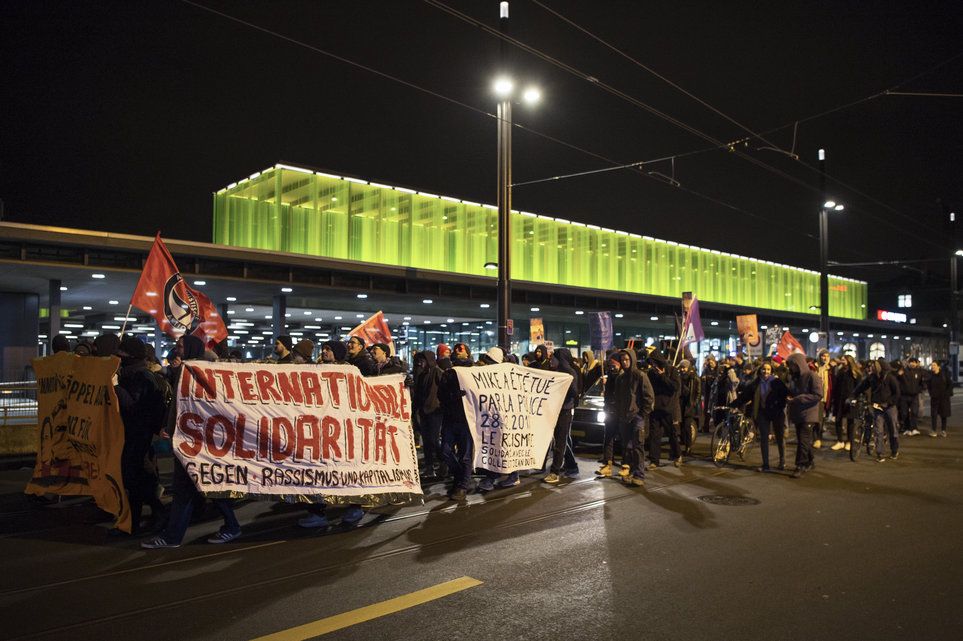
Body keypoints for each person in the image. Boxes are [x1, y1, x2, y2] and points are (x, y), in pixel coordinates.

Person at [143, 335, 241, 548]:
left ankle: (174, 536)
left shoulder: (198, 372)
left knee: (201, 486)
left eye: (180, 346)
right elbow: (179, 405)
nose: (176, 350)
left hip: (198, 440)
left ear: (190, 348)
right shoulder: (186, 371)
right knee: (195, 487)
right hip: (188, 439)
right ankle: (176, 535)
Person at [114, 336, 169, 534]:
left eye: (122, 354)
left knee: (136, 480)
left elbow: (133, 406)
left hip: (139, 435)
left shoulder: (141, 377)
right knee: (134, 481)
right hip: (131, 433)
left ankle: (155, 514)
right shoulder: (131, 374)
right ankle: (136, 522)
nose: (119, 357)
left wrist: (116, 388)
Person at [731, 361, 788, 471]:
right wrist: (734, 404)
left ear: (771, 371)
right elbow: (745, 396)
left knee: (780, 438)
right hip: (763, 412)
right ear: (760, 370)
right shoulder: (755, 383)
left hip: (777, 413)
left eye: (768, 369)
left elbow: (785, 395)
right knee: (764, 438)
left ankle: (782, 461)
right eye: (763, 369)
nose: (765, 371)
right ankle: (765, 464)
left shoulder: (777, 382)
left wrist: (780, 405)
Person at [610, 349, 654, 486]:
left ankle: (639, 475)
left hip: (637, 417)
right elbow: (617, 398)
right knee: (627, 447)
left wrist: (642, 415)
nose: (624, 362)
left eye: (627, 359)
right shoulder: (620, 378)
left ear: (632, 359)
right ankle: (628, 471)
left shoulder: (640, 376)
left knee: (637, 447)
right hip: (624, 417)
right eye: (622, 360)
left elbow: (649, 397)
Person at [439, 343, 476, 500]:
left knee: (465, 455)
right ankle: (461, 476)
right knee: (445, 451)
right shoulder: (448, 373)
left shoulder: (474, 373)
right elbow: (441, 395)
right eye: (456, 349)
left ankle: (462, 486)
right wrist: (453, 395)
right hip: (450, 419)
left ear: (467, 354)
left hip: (467, 420)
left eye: (461, 349)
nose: (457, 351)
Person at [850, 358, 901, 463]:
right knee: (878, 431)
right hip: (877, 407)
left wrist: (888, 403)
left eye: (874, 366)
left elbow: (897, 393)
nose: (871, 367)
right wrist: (853, 395)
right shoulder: (872, 378)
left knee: (893, 430)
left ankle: (894, 450)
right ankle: (880, 453)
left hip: (889, 407)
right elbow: (861, 387)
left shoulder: (890, 378)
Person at [543, 347, 580, 485]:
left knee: (560, 441)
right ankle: (571, 466)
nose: (551, 360)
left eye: (554, 358)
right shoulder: (555, 372)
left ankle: (555, 472)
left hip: (565, 411)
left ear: (561, 359)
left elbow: (574, 393)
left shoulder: (570, 373)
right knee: (562, 440)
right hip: (555, 410)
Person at [786, 352, 823, 478]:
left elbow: (818, 395)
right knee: (804, 440)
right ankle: (810, 460)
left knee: (803, 440)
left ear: (799, 364)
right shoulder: (794, 377)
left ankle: (800, 465)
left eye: (793, 364)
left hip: (809, 413)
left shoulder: (812, 376)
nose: (791, 367)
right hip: (798, 413)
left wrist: (799, 398)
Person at [413, 350, 445, 479]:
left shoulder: (437, 372)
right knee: (427, 441)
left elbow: (444, 388)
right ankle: (430, 467)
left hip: (435, 411)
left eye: (423, 360)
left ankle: (444, 462)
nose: (421, 363)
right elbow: (418, 393)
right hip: (424, 412)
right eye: (419, 360)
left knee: (433, 440)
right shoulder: (421, 374)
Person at [646, 350, 681, 468]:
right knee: (654, 435)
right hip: (655, 408)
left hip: (668, 408)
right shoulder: (651, 373)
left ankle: (677, 455)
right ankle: (654, 460)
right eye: (651, 363)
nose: (652, 365)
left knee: (672, 434)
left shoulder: (672, 370)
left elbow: (675, 387)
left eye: (654, 363)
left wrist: (662, 376)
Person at [831, 356, 861, 451]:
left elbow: (859, 387)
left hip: (850, 400)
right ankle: (840, 441)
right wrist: (833, 398)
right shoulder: (840, 371)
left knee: (850, 422)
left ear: (849, 361)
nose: (842, 360)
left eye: (844, 359)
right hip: (839, 400)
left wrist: (855, 398)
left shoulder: (855, 373)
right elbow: (835, 386)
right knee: (838, 420)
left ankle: (849, 441)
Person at [677, 359, 701, 455]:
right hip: (681, 404)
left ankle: (688, 446)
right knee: (682, 426)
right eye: (681, 367)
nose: (682, 369)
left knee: (687, 426)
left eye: (684, 367)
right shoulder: (679, 377)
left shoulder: (694, 378)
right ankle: (684, 443)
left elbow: (698, 393)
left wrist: (694, 403)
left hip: (689, 405)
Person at [923, 361, 952, 437]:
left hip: (944, 398)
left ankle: (943, 430)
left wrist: (947, 394)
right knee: (934, 415)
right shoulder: (930, 375)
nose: (932, 366)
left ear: (938, 366)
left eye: (934, 365)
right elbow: (928, 386)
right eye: (932, 365)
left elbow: (950, 384)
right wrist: (931, 393)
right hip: (934, 398)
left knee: (943, 415)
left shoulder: (944, 374)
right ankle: (934, 430)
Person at [897, 357, 923, 436]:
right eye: (911, 362)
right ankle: (907, 428)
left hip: (914, 395)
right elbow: (897, 379)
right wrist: (899, 375)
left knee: (914, 412)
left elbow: (922, 382)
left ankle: (914, 428)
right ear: (908, 363)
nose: (912, 364)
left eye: (914, 362)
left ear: (916, 363)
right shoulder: (903, 371)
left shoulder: (919, 371)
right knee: (904, 413)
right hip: (904, 396)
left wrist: (919, 389)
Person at [813, 349, 833, 449]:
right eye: (823, 356)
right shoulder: (813, 367)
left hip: (826, 397)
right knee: (816, 419)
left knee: (821, 419)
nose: (825, 358)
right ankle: (816, 439)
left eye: (827, 356)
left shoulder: (830, 369)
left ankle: (818, 438)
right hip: (815, 397)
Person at [700, 356, 718, 433]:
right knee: (706, 410)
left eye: (711, 362)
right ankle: (705, 426)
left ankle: (717, 428)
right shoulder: (706, 369)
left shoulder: (718, 369)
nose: (710, 364)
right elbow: (702, 378)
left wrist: (712, 377)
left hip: (715, 393)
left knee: (715, 410)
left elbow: (718, 378)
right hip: (708, 392)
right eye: (709, 362)